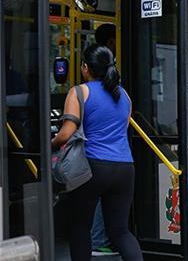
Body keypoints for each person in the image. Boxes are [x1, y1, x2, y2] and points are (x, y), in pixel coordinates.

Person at [52, 45, 143, 261]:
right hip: (124, 168)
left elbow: (66, 134)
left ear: (85, 67)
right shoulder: (124, 96)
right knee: (120, 231)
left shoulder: (79, 92)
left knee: (80, 227)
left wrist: (50, 143)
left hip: (92, 167)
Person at [89, 23, 118, 256]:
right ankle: (100, 239)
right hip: (118, 156)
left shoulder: (81, 93)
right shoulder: (120, 92)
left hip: (96, 154)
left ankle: (99, 238)